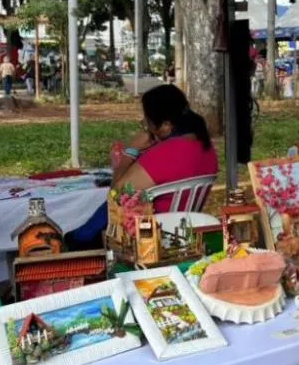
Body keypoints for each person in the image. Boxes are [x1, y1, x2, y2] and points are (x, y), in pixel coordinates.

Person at [67, 84, 218, 247]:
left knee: (75, 236)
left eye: (147, 121)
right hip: (182, 229)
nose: (146, 125)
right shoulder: (207, 147)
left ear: (166, 125)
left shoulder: (166, 153)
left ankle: (78, 241)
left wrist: (131, 152)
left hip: (149, 235)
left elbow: (115, 194)